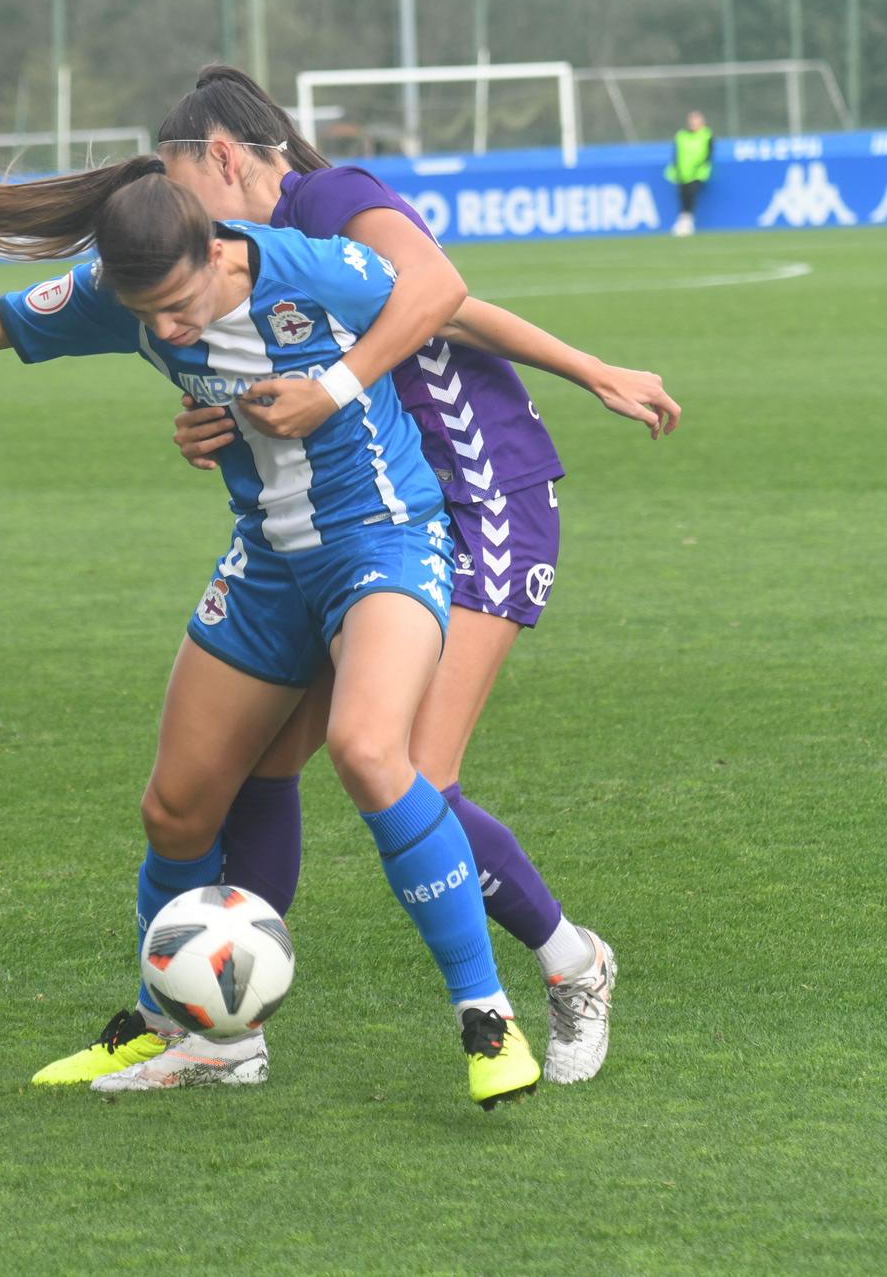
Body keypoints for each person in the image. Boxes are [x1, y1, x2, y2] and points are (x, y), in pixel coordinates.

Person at [0, 160, 545, 1108]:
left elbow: (437, 293)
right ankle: (191, 1035)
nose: (166, 330)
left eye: (181, 306)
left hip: (386, 540)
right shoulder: (121, 291)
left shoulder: (310, 268)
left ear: (219, 251)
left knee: (367, 750)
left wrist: (338, 385)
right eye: (148, 315)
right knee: (177, 808)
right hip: (268, 561)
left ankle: (486, 1015)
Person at [149, 66, 682, 1085]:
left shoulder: (328, 194)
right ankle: (229, 1037)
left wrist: (593, 370)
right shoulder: (246, 267)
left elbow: (446, 300)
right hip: (360, 530)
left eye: (188, 195)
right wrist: (212, 421)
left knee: (409, 772)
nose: (184, 228)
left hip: (477, 497)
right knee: (265, 758)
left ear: (227, 158)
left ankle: (572, 962)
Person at [667, 110, 714, 236]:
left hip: (698, 172)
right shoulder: (681, 135)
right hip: (682, 172)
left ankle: (688, 222)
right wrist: (676, 169)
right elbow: (676, 154)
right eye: (691, 120)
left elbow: (708, 155)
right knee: (683, 195)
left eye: (696, 120)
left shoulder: (706, 135)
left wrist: (699, 167)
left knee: (691, 193)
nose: (693, 123)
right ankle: (683, 220)